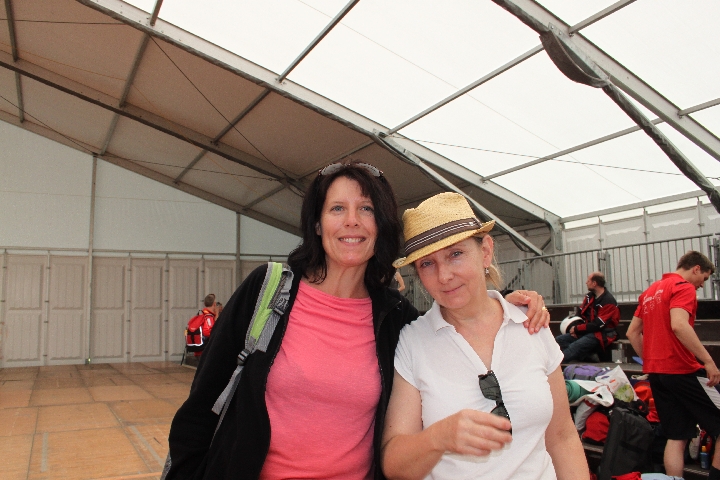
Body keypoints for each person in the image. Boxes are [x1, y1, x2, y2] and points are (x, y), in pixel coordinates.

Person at [164, 162, 550, 480]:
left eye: (365, 209)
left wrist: (503, 302)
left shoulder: (394, 317)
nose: (352, 221)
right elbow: (200, 409)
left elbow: (455, 321)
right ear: (317, 224)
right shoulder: (267, 289)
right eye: (337, 209)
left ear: (380, 225)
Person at [381, 192, 587, 480]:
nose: (444, 276)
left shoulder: (530, 323)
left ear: (486, 251)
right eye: (427, 264)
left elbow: (562, 437)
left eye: (455, 254)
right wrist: (438, 438)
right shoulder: (413, 341)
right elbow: (393, 464)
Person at [626, 250, 720, 480]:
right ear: (696, 268)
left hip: (658, 374)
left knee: (677, 435)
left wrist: (651, 361)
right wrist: (708, 361)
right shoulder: (683, 287)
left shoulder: (650, 292)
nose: (702, 285)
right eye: (704, 278)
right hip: (682, 369)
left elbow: (632, 333)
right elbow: (679, 325)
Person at [554, 272, 620, 362]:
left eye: (588, 280)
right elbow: (580, 313)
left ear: (594, 283)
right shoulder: (589, 296)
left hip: (601, 334)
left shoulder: (608, 301)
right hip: (587, 331)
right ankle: (588, 358)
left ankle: (556, 364)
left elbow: (598, 324)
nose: (586, 282)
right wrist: (575, 328)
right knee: (558, 340)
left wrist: (577, 329)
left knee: (574, 347)